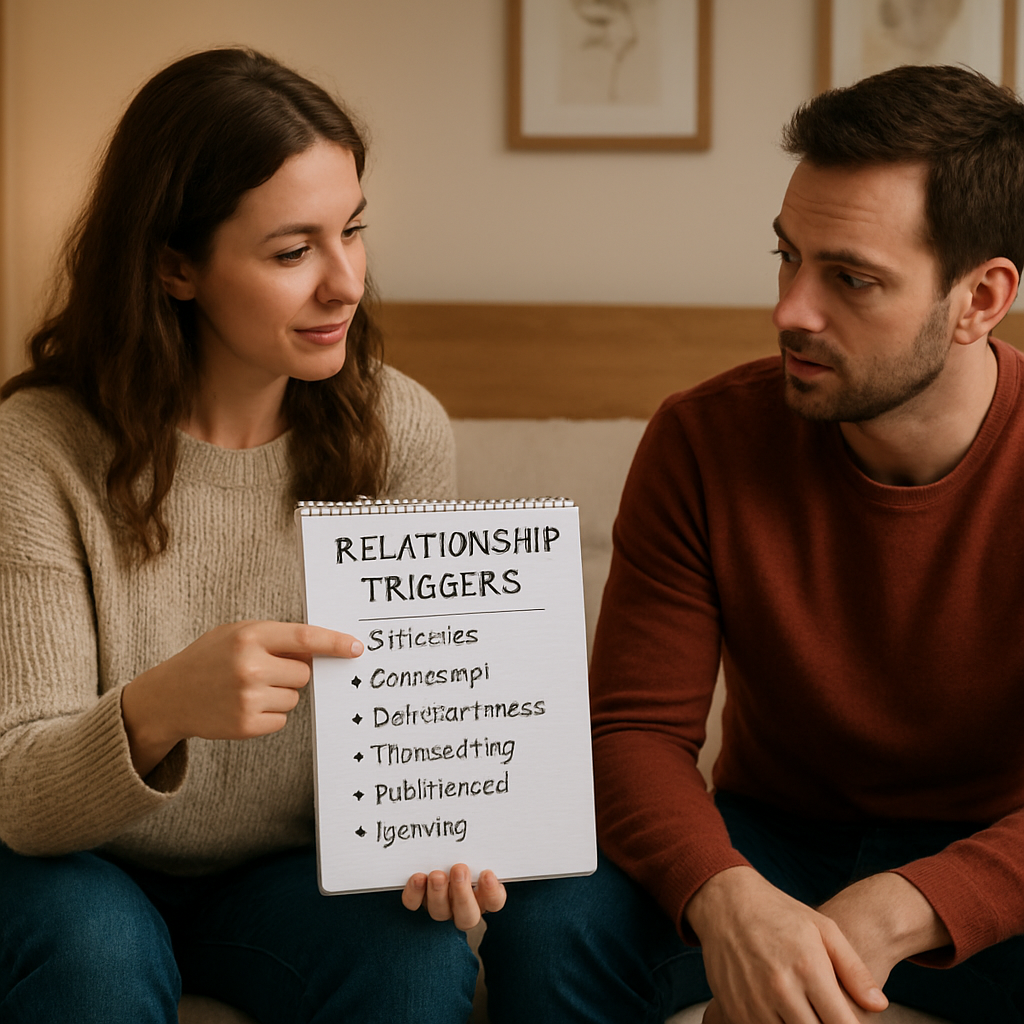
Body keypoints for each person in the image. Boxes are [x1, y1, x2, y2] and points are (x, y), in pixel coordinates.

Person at [480, 65, 1024, 1023]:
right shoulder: (703, 439)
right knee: (551, 926)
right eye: (788, 257)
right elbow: (633, 733)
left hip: (993, 852)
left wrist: (909, 906)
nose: (791, 312)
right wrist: (724, 898)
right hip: (767, 841)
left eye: (850, 278)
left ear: (980, 299)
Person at [0, 48, 504, 1024]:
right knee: (95, 954)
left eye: (352, 231)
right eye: (292, 252)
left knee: (416, 960)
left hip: (287, 873)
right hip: (71, 866)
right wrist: (158, 707)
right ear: (173, 264)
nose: (346, 283)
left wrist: (445, 830)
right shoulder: (34, 450)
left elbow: (424, 722)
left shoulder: (402, 431)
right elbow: (18, 794)